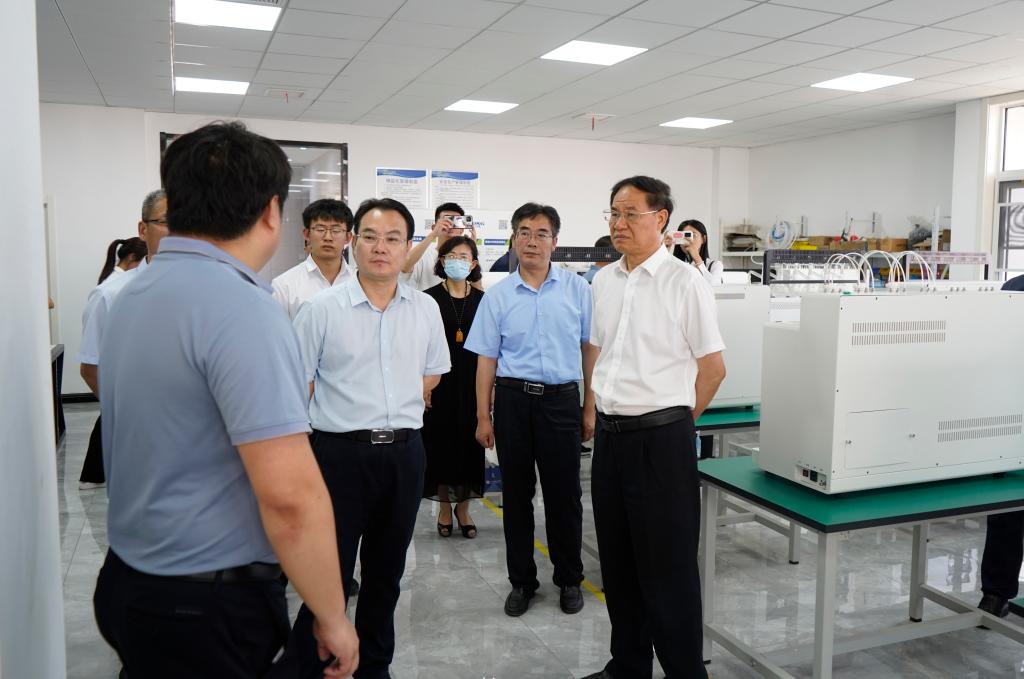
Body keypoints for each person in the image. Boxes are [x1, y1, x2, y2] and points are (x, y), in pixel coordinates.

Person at [92, 122, 358, 679]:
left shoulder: (133, 293)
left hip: (131, 577)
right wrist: (333, 615)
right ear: (271, 212)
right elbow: (289, 498)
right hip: (204, 603)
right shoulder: (243, 308)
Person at [284, 197, 450, 679]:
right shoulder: (320, 309)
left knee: (386, 574)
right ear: (354, 242)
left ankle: (375, 666)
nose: (382, 248)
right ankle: (310, 667)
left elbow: (434, 372)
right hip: (339, 455)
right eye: (371, 237)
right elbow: (298, 383)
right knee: (328, 576)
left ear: (407, 246)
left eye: (393, 238)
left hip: (404, 454)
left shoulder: (425, 309)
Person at [584, 176, 726, 679]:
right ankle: (628, 666)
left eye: (630, 213)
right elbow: (599, 350)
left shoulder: (685, 282)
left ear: (660, 218)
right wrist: (593, 409)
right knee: (618, 563)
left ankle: (685, 672)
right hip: (611, 440)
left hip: (661, 442)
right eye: (613, 213)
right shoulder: (604, 281)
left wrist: (675, 424)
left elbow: (713, 370)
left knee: (668, 571)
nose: (618, 223)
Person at [466, 202, 596, 618]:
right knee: (517, 496)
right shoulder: (498, 296)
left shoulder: (578, 290)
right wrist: (483, 416)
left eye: (541, 234)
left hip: (561, 401)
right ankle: (521, 581)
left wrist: (589, 407)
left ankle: (569, 578)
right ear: (514, 240)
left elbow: (589, 352)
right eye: (524, 232)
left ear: (555, 241)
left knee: (565, 496)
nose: (532, 241)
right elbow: (486, 360)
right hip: (513, 401)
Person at [77, 190, 166, 490]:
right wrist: (128, 419)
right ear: (143, 229)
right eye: (167, 222)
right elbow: (91, 367)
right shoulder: (112, 295)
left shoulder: (205, 292)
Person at [421, 235, 486, 539]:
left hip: (474, 382)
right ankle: (445, 509)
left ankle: (464, 509)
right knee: (441, 445)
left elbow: (490, 349)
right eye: (451, 256)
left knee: (469, 446)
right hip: (439, 382)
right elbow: (419, 345)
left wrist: (491, 389)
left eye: (464, 257)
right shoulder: (427, 299)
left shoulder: (484, 300)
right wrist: (424, 385)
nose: (457, 261)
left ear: (473, 264)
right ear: (442, 261)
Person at [977, 272, 1024, 619]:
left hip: (1008, 416)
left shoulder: (1014, 287)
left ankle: (995, 595)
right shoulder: (1015, 288)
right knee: (1008, 510)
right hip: (1011, 413)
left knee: (1008, 510)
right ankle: (995, 594)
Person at [272, 198, 355, 320]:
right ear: (306, 234)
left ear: (348, 237)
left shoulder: (360, 281)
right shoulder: (285, 286)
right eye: (320, 229)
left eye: (336, 230)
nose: (328, 237)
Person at [402, 201, 472, 291]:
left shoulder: (467, 258)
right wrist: (433, 234)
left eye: (455, 222)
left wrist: (472, 251)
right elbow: (404, 267)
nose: (451, 226)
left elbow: (476, 287)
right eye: (447, 221)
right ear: (434, 227)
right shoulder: (423, 255)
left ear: (461, 230)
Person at [665, 219, 724, 285]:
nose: (688, 239)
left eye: (693, 235)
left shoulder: (715, 265)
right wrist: (663, 251)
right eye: (683, 236)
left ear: (703, 239)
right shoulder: (673, 265)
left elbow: (714, 287)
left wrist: (696, 258)